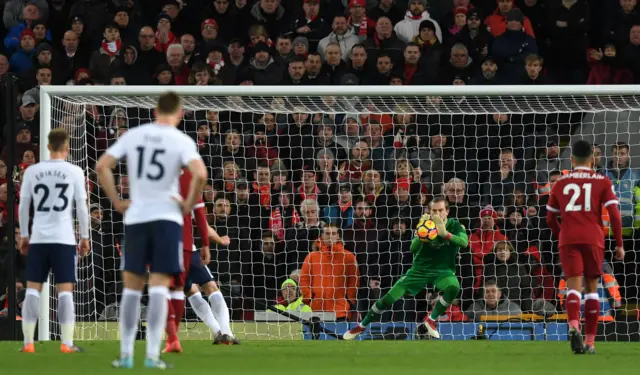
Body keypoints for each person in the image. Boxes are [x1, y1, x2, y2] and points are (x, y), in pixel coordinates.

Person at [96, 92, 206, 369]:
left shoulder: (134, 134)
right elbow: (201, 174)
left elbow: (102, 166)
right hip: (167, 219)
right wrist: (187, 205)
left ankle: (125, 354)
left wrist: (117, 202)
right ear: (179, 113)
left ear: (155, 111)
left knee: (132, 288)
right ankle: (153, 355)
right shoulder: (181, 140)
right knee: (159, 287)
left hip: (136, 217)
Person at [343, 196, 468, 340]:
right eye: (434, 210)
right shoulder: (424, 226)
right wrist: (422, 237)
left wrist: (445, 234)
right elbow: (413, 248)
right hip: (419, 271)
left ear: (447, 211)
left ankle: (431, 321)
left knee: (454, 287)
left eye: (440, 210)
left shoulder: (456, 225)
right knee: (387, 299)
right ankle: (361, 326)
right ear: (429, 212)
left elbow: (464, 243)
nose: (437, 214)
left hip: (443, 271)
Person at [546, 140, 624, 355]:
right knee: (591, 289)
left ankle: (573, 326)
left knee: (573, 285)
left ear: (571, 160)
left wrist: (560, 234)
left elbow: (550, 217)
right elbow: (615, 216)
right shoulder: (602, 180)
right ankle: (590, 342)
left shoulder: (561, 182)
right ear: (592, 159)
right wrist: (619, 244)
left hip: (568, 238)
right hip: (593, 239)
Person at [18, 128, 90, 354]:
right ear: (67, 148)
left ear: (48, 147)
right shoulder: (75, 171)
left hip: (39, 239)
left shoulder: (32, 171)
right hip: (64, 239)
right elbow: (82, 207)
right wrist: (85, 236)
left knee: (32, 290)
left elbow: (23, 206)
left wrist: (24, 236)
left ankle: (28, 343)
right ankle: (66, 343)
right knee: (65, 290)